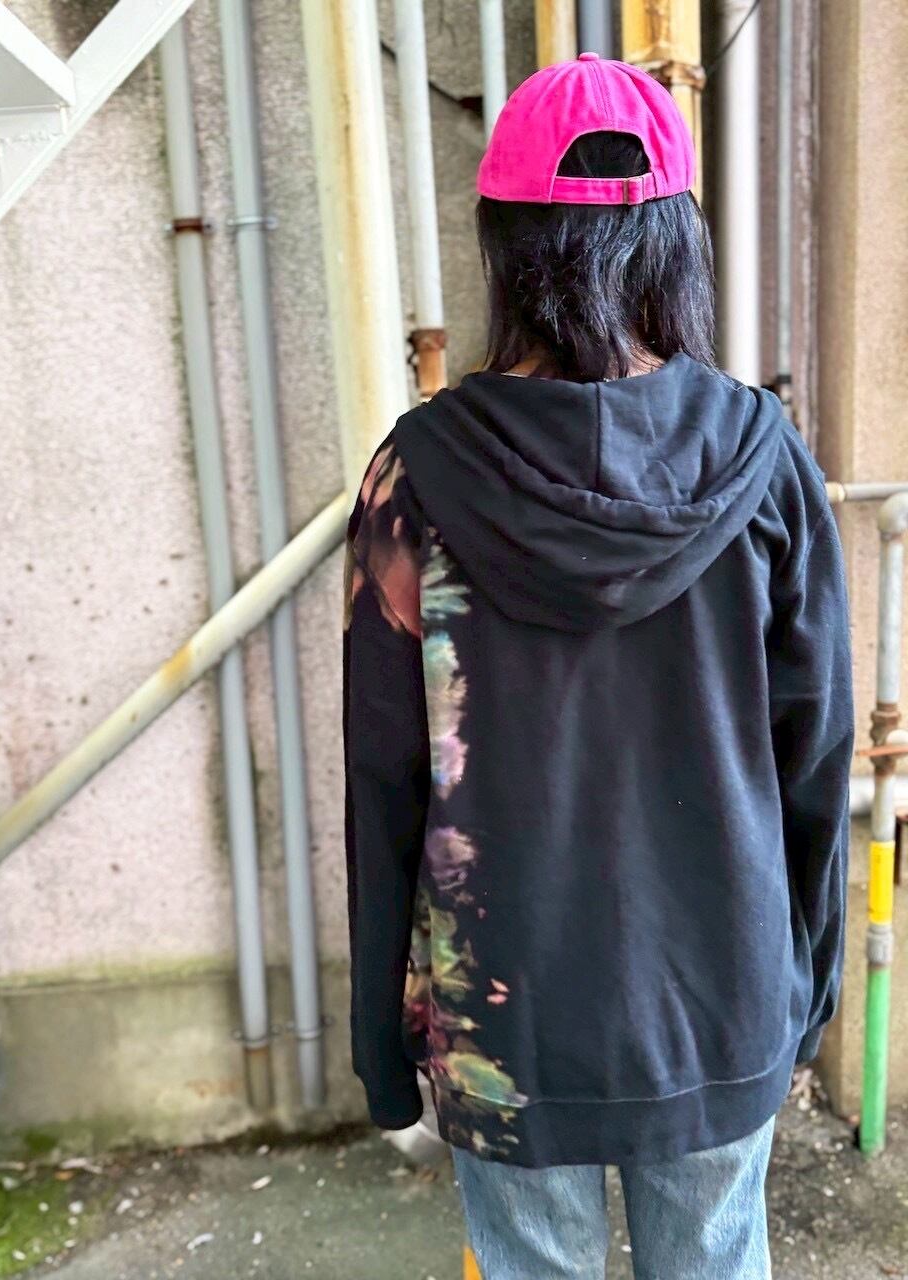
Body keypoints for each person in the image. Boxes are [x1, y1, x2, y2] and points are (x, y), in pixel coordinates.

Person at [342, 52, 853, 1280]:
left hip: (504, 1010)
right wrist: (810, 979)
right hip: (722, 992)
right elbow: (818, 750)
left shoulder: (415, 475)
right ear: (676, 242)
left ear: (505, 246)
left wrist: (378, 1037)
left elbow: (383, 776)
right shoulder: (764, 460)